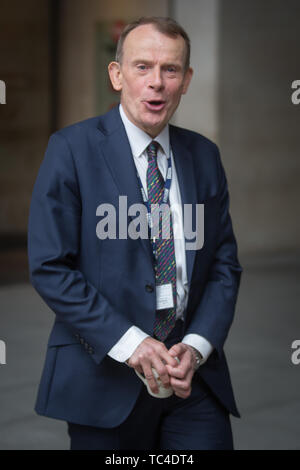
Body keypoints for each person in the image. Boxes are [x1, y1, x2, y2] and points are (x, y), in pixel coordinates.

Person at [28, 16, 242, 450]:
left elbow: (223, 262)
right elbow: (51, 266)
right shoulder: (71, 150)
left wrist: (198, 346)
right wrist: (133, 344)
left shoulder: (204, 155)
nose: (157, 83)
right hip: (103, 379)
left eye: (171, 69)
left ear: (186, 80)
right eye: (143, 67)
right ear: (116, 74)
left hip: (192, 383)